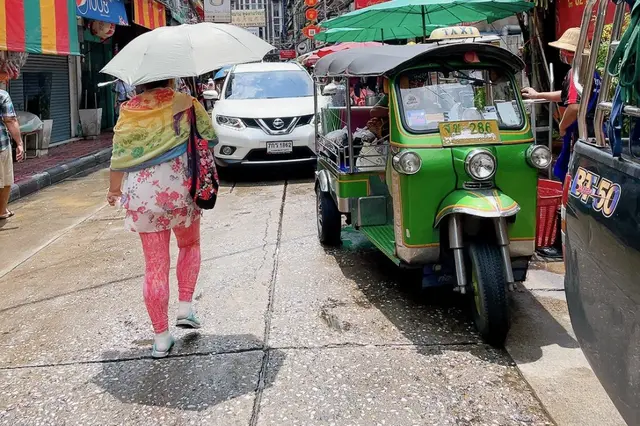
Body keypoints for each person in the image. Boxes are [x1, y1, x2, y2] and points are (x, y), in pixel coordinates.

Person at [106, 79, 216, 358]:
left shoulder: (129, 109)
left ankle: (161, 338)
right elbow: (210, 137)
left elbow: (119, 155)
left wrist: (114, 190)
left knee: (155, 266)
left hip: (143, 195)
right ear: (170, 78)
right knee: (189, 245)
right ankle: (185, 307)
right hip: (182, 189)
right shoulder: (186, 103)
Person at [521, 27, 601, 180]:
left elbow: (574, 107)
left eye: (564, 50)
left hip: (580, 134)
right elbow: (566, 96)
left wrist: (562, 126)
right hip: (593, 133)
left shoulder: (575, 74)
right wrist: (538, 94)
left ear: (570, 53)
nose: (562, 54)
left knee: (574, 176)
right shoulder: (592, 73)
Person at [0, 89, 24, 220]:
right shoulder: (2, 95)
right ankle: (2, 210)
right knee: (5, 179)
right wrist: (19, 143)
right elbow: (10, 120)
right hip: (1, 145)